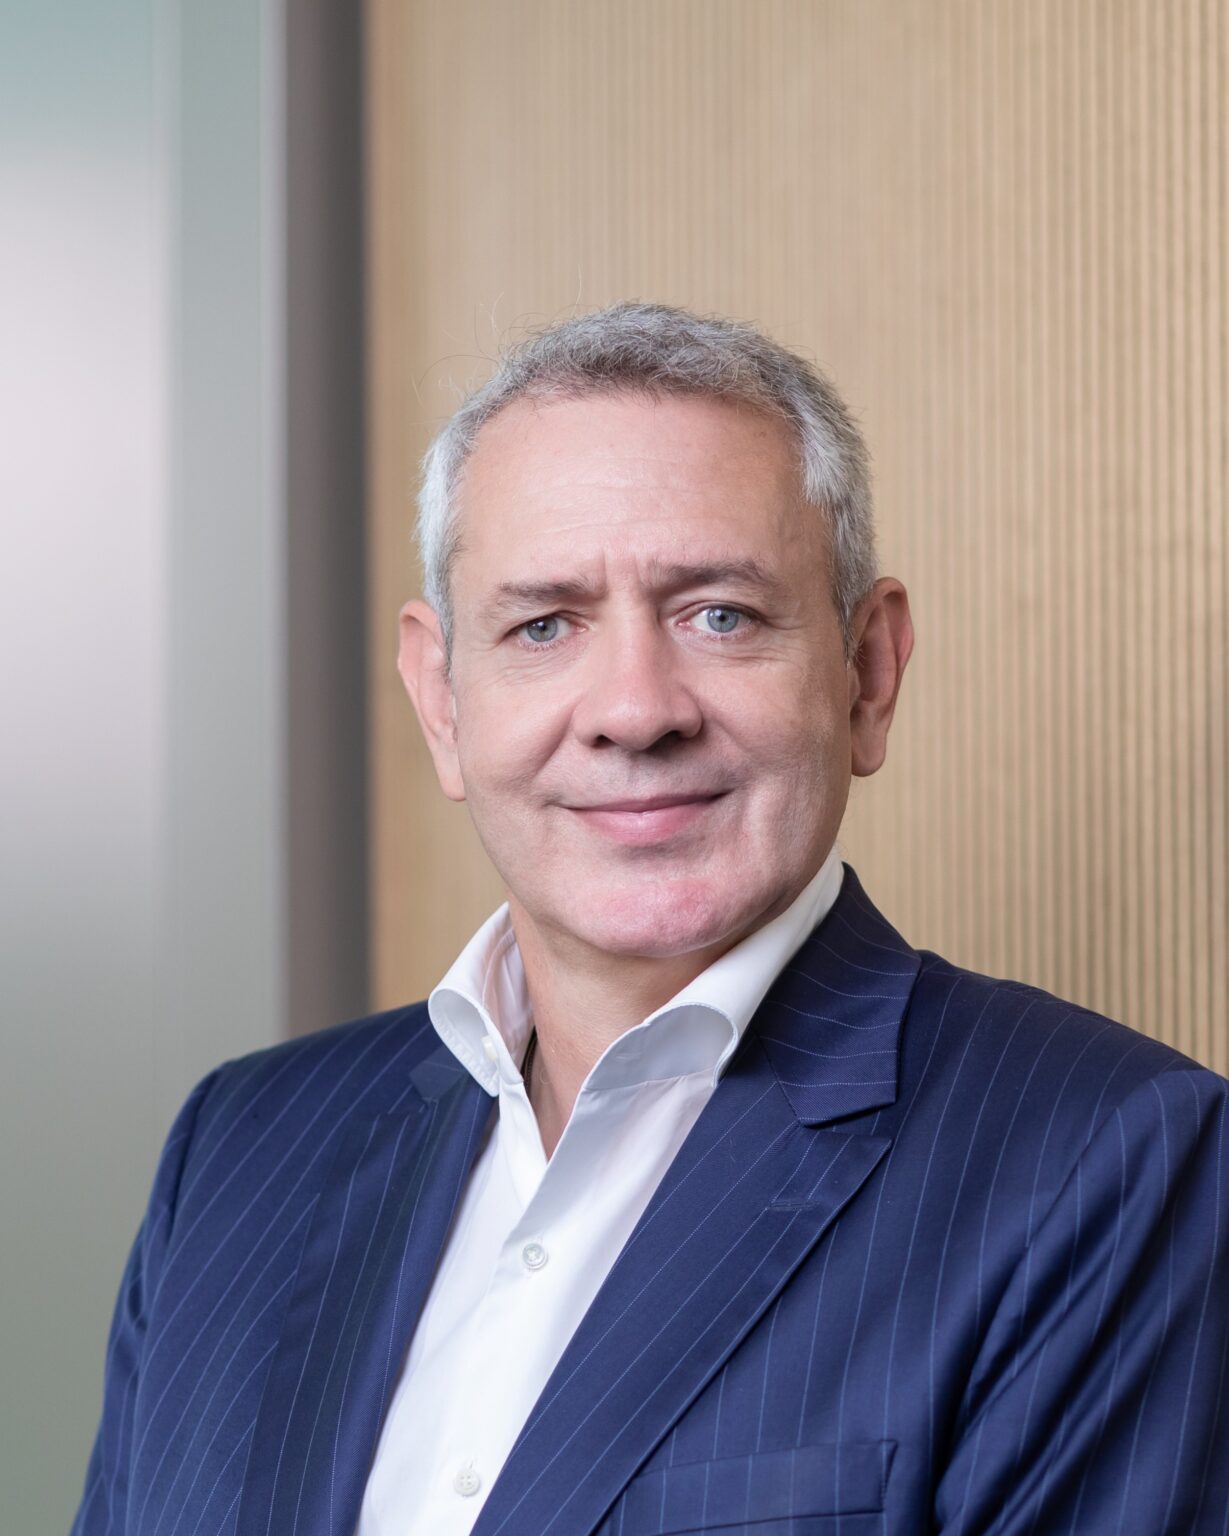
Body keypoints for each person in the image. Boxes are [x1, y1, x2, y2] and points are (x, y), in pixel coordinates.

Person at [73, 303, 1228, 1536]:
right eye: (543, 625)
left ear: (867, 672)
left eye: (718, 614)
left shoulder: (1109, 1160)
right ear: (442, 700)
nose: (633, 710)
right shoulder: (237, 1150)